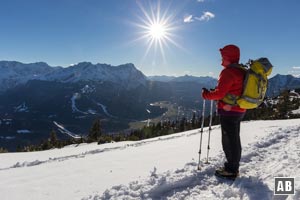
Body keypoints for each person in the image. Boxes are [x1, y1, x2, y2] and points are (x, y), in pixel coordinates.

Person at [201, 44, 246, 180]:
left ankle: (231, 170)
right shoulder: (241, 71)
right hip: (239, 110)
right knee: (234, 138)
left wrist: (206, 95)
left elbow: (220, 94)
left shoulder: (228, 72)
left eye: (223, 56)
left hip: (229, 112)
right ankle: (233, 166)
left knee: (229, 140)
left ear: (228, 57)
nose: (221, 59)